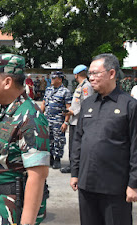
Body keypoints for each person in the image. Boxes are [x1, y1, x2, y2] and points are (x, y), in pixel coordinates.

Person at [0, 53, 50, 225]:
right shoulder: (2, 112)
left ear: (7, 82)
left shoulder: (30, 117)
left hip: (13, 211)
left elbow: (37, 176)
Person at [70, 53, 137, 225]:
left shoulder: (129, 105)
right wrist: (75, 172)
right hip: (86, 184)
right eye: (89, 74)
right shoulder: (88, 104)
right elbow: (78, 139)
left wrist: (134, 183)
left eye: (95, 73)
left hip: (115, 187)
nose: (90, 78)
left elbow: (136, 147)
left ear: (112, 73)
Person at [60, 65, 93, 173]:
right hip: (74, 120)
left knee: (76, 146)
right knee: (73, 145)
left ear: (76, 75)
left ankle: (75, 166)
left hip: (79, 120)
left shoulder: (86, 86)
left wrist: (72, 112)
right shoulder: (80, 86)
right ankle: (73, 165)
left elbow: (86, 103)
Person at [41, 71, 72, 169]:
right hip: (47, 119)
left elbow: (68, 108)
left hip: (58, 120)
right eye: (52, 78)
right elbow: (43, 103)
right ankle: (50, 157)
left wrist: (66, 122)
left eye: (54, 78)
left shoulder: (65, 91)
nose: (52, 80)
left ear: (60, 79)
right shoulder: (48, 90)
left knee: (58, 140)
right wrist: (40, 116)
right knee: (48, 140)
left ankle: (57, 158)